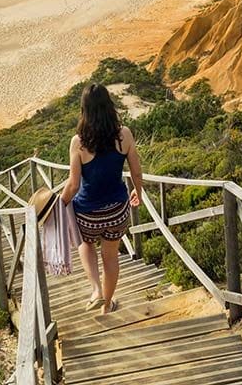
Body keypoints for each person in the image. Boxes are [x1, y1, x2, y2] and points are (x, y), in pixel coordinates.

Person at [60, 83, 143, 314]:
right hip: (117, 210)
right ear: (109, 105)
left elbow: (74, 184)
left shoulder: (78, 142)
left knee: (84, 243)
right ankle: (107, 305)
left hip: (87, 213)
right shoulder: (123, 134)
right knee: (111, 257)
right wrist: (139, 191)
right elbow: (136, 170)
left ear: (84, 109)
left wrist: (58, 205)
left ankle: (96, 289)